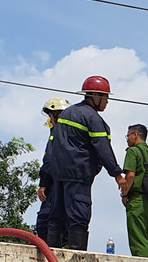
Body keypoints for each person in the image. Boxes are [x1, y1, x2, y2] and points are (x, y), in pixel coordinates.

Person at [48, 76, 123, 251]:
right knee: (79, 214)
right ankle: (77, 256)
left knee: (56, 215)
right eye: (105, 97)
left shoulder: (67, 113)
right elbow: (103, 149)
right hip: (78, 174)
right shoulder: (92, 118)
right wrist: (117, 174)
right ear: (95, 96)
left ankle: (52, 252)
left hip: (58, 174)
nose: (107, 102)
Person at [118, 123, 148, 258]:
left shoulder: (133, 152)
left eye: (127, 136)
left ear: (135, 135)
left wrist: (125, 194)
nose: (127, 139)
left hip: (138, 201)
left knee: (138, 240)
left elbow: (131, 175)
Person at [35, 97, 68, 242]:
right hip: (69, 185)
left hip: (53, 185)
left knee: (46, 223)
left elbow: (49, 161)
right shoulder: (73, 136)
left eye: (50, 116)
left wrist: (43, 184)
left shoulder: (56, 134)